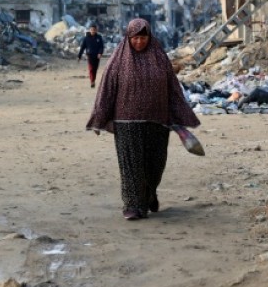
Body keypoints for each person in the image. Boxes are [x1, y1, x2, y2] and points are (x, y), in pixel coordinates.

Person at [86, 18, 201, 221]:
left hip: (157, 121)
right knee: (131, 166)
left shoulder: (159, 58)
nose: (139, 42)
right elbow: (106, 90)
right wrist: (99, 117)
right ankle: (132, 205)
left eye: (143, 37)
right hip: (126, 121)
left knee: (154, 166)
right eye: (135, 38)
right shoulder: (118, 60)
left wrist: (179, 115)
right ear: (128, 38)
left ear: (150, 37)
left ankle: (149, 194)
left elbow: (173, 89)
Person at [77, 23, 105, 88]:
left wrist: (100, 53)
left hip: (97, 56)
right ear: (90, 30)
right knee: (91, 69)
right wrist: (79, 56)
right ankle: (92, 81)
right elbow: (82, 47)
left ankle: (93, 80)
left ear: (96, 30)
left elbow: (101, 47)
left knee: (95, 69)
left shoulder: (99, 37)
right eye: (91, 30)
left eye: (94, 30)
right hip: (90, 56)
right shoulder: (86, 38)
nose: (93, 31)